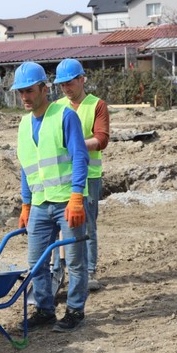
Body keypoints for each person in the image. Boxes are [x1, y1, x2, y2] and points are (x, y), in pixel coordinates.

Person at [13, 61, 90, 332]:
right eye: (20, 92)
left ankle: (75, 311)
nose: (24, 97)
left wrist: (77, 197)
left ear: (44, 89)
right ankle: (44, 309)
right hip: (39, 204)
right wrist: (25, 204)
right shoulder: (23, 125)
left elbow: (80, 158)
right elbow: (27, 166)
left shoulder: (64, 116)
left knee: (75, 259)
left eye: (29, 90)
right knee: (36, 262)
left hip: (67, 201)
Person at [53, 59, 110, 291]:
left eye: (70, 83)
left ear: (81, 79)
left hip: (90, 174)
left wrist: (76, 144)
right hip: (63, 175)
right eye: (62, 85)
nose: (66, 88)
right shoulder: (56, 107)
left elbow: (102, 139)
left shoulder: (96, 105)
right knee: (59, 225)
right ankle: (57, 271)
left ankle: (89, 271)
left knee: (87, 225)